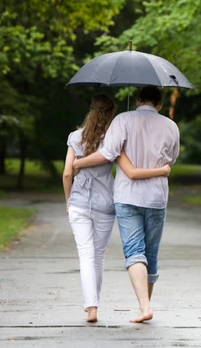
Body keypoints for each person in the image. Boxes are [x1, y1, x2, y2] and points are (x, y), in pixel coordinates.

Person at [73, 86, 180, 323]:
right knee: (150, 253)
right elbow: (172, 158)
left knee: (134, 251)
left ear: (139, 100)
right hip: (156, 198)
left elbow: (108, 153)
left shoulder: (123, 120)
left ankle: (144, 307)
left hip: (128, 198)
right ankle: (145, 306)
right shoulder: (171, 126)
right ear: (159, 105)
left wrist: (79, 164)